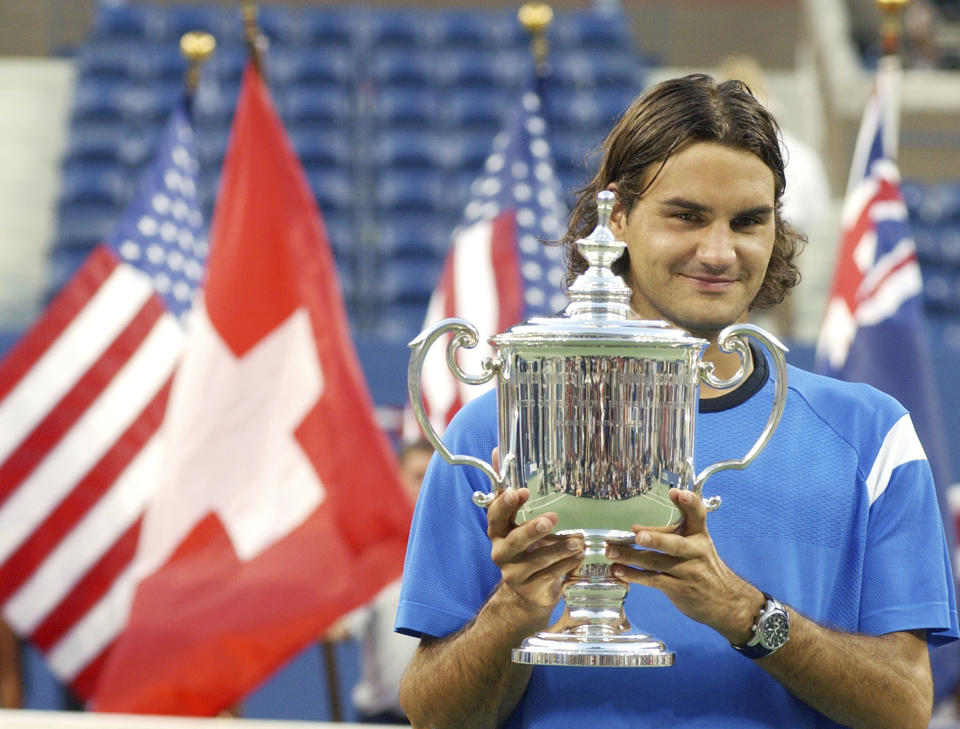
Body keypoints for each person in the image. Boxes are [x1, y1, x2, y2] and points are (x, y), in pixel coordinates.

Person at [394, 74, 959, 729]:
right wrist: (515, 605)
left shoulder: (873, 436)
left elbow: (906, 706)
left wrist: (744, 612)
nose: (719, 252)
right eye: (686, 216)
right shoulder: (497, 428)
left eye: (749, 221)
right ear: (620, 217)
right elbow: (434, 716)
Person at [328, 439, 432, 724]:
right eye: (417, 477)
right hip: (383, 718)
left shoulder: (458, 550)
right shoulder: (375, 559)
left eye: (433, 478)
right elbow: (337, 628)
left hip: (443, 715)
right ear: (396, 483)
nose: (425, 488)